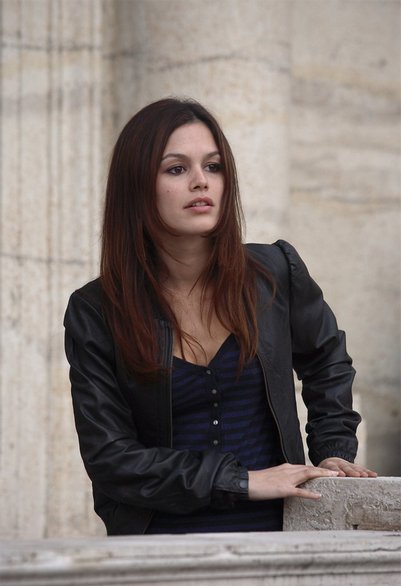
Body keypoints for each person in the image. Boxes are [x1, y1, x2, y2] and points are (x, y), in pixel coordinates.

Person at [64, 97, 376, 536]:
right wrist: (242, 481)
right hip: (160, 541)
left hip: (280, 530)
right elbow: (111, 459)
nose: (201, 181)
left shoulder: (274, 273)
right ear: (137, 186)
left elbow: (327, 361)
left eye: (213, 166)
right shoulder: (96, 309)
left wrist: (333, 448)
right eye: (176, 169)